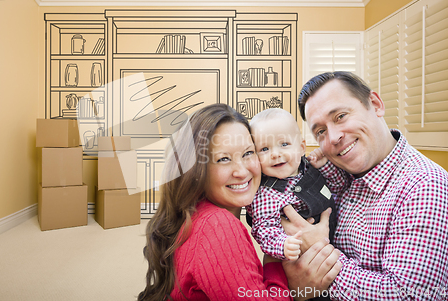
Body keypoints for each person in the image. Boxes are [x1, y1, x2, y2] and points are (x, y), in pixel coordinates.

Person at [137, 103, 341, 301]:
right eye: (223, 159)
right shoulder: (217, 226)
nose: (242, 171)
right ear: (197, 169)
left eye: (248, 153)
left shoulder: (197, 215)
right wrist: (290, 282)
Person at [281, 71, 448, 300]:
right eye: (321, 131)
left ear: (376, 104)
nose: (333, 137)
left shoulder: (423, 185)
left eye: (340, 116)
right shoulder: (340, 174)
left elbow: (410, 295)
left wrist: (317, 254)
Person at [246, 108, 337, 263]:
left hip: (338, 243)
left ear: (301, 147)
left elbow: (336, 187)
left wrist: (324, 166)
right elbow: (264, 230)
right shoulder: (265, 194)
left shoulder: (308, 168)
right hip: (302, 258)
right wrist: (283, 245)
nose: (275, 154)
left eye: (284, 144)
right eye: (264, 149)